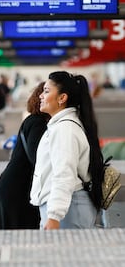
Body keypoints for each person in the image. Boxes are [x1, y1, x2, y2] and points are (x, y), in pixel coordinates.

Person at [30, 71, 104, 230]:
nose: (41, 96)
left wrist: (54, 216)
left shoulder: (65, 129)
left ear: (62, 98)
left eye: (46, 91)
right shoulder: (61, 125)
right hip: (67, 207)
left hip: (69, 210)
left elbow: (64, 174)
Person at [0, 82, 49, 229]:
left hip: (15, 188)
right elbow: (36, 158)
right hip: (18, 191)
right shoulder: (38, 123)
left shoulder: (35, 121)